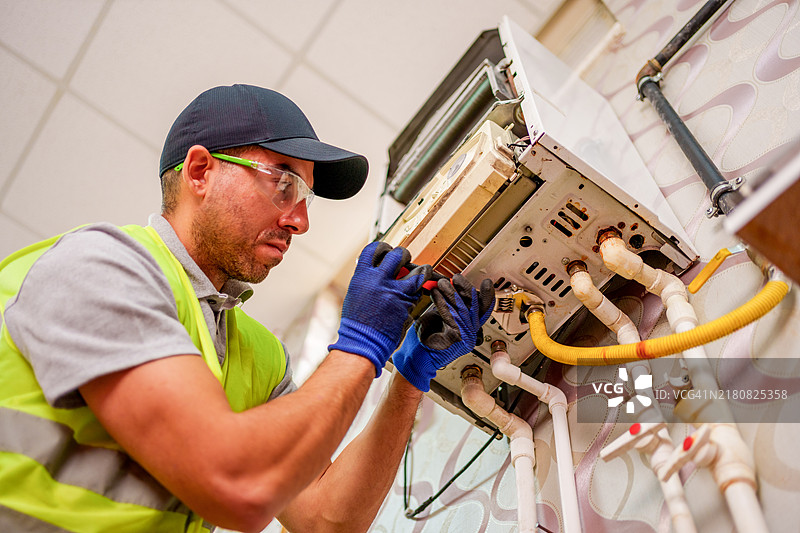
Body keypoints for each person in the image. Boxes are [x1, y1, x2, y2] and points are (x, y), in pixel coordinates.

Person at [0, 84, 494, 533]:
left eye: (307, 197)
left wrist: (410, 375)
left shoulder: (258, 355)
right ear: (200, 172)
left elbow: (325, 519)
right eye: (284, 183)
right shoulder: (101, 265)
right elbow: (235, 484)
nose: (300, 220)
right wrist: (362, 344)